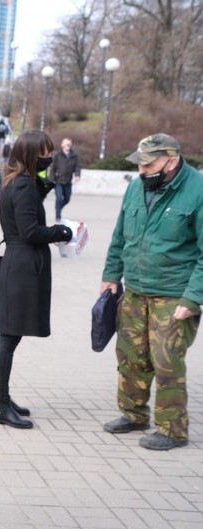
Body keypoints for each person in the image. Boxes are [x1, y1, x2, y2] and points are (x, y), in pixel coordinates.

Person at [101, 133, 203, 450]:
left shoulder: (197, 191)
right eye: (140, 163)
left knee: (167, 360)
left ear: (171, 161)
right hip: (135, 290)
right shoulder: (136, 188)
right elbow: (120, 234)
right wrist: (110, 274)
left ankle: (173, 430)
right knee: (131, 356)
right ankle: (133, 414)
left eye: (149, 163)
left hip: (174, 294)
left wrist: (193, 298)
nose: (143, 170)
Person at [0, 130, 73, 429]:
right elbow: (30, 231)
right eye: (44, 154)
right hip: (23, 265)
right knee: (9, 336)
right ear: (31, 154)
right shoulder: (23, 185)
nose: (48, 159)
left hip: (19, 263)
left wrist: (43, 187)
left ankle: (2, 398)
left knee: (10, 336)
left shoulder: (15, 181)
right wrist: (63, 232)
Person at [48, 137, 81, 222]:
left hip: (68, 181)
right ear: (62, 145)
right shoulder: (57, 155)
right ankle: (58, 215)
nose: (68, 145)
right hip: (58, 181)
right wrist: (51, 180)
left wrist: (77, 175)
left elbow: (77, 167)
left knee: (67, 199)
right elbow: (52, 168)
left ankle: (58, 208)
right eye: (66, 144)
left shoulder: (74, 156)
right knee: (59, 198)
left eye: (69, 144)